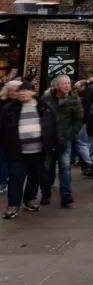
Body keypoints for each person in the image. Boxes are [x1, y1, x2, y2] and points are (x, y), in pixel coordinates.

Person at [1, 82, 59, 219]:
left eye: (25, 91)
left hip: (39, 150)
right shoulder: (9, 108)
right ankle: (13, 205)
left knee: (35, 177)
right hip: (16, 150)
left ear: (33, 92)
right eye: (20, 91)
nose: (22, 93)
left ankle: (29, 200)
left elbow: (53, 125)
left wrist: (55, 143)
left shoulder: (44, 107)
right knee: (16, 177)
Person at [42, 75, 82, 207]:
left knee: (65, 166)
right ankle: (46, 193)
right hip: (49, 139)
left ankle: (66, 194)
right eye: (64, 84)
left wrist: (73, 132)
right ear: (56, 86)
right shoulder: (46, 99)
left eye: (69, 84)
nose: (67, 86)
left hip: (65, 138)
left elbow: (78, 118)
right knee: (48, 166)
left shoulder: (73, 99)